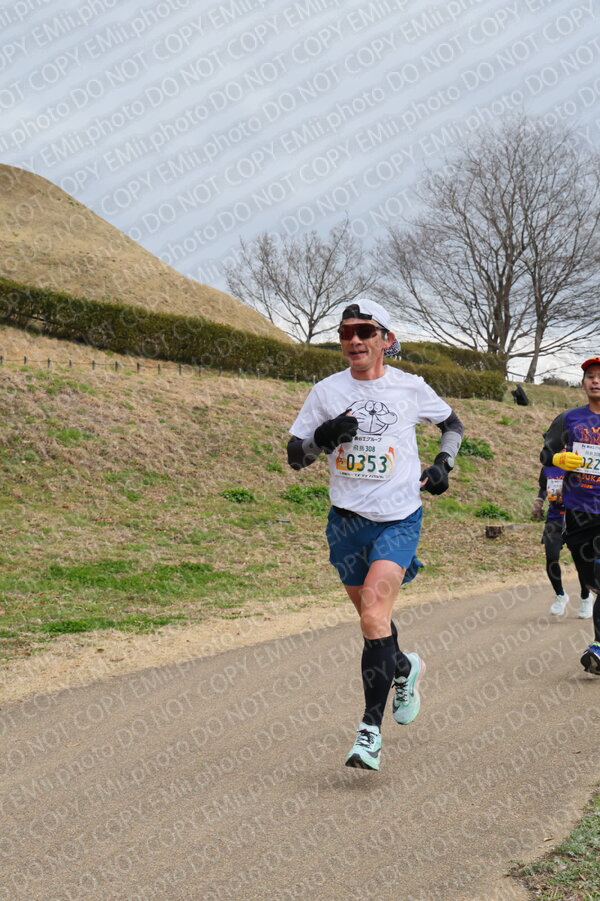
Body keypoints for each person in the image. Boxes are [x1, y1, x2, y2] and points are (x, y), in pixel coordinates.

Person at [287, 299, 463, 770]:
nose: (354, 340)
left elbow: (452, 424)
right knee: (374, 622)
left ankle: (369, 732)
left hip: (398, 519)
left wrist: (443, 464)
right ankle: (405, 667)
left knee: (372, 617)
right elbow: (295, 456)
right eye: (346, 333)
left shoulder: (410, 387)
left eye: (365, 331)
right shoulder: (326, 390)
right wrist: (322, 438)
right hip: (346, 523)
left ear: (386, 339)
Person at [540, 356, 600, 674]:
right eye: (590, 376)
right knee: (590, 579)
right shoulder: (568, 419)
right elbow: (545, 453)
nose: (596, 380)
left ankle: (599, 647)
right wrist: (558, 458)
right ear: (583, 383)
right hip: (577, 510)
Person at [532, 466, 594, 618]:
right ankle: (560, 594)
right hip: (555, 520)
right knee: (551, 557)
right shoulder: (548, 467)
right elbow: (543, 487)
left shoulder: (580, 464)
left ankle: (585, 597)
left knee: (581, 561)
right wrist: (539, 501)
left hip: (577, 520)